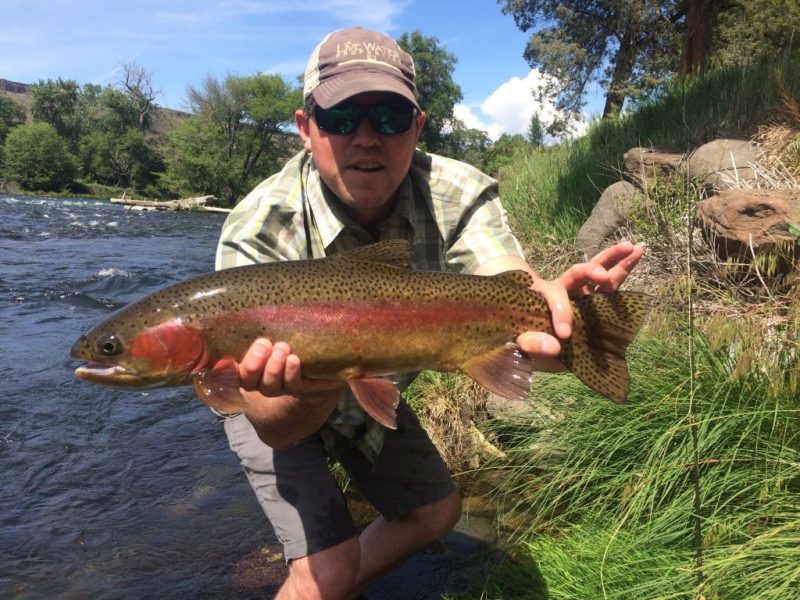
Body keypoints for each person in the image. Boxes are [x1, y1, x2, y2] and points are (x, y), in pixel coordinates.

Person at [215, 26, 642, 600]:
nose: (366, 138)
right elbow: (274, 421)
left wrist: (544, 306)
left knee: (436, 509)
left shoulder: (458, 190)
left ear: (416, 127)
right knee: (327, 568)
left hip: (373, 382)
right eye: (342, 119)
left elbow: (499, 272)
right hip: (273, 394)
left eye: (388, 118)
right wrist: (320, 375)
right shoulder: (257, 228)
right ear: (304, 127)